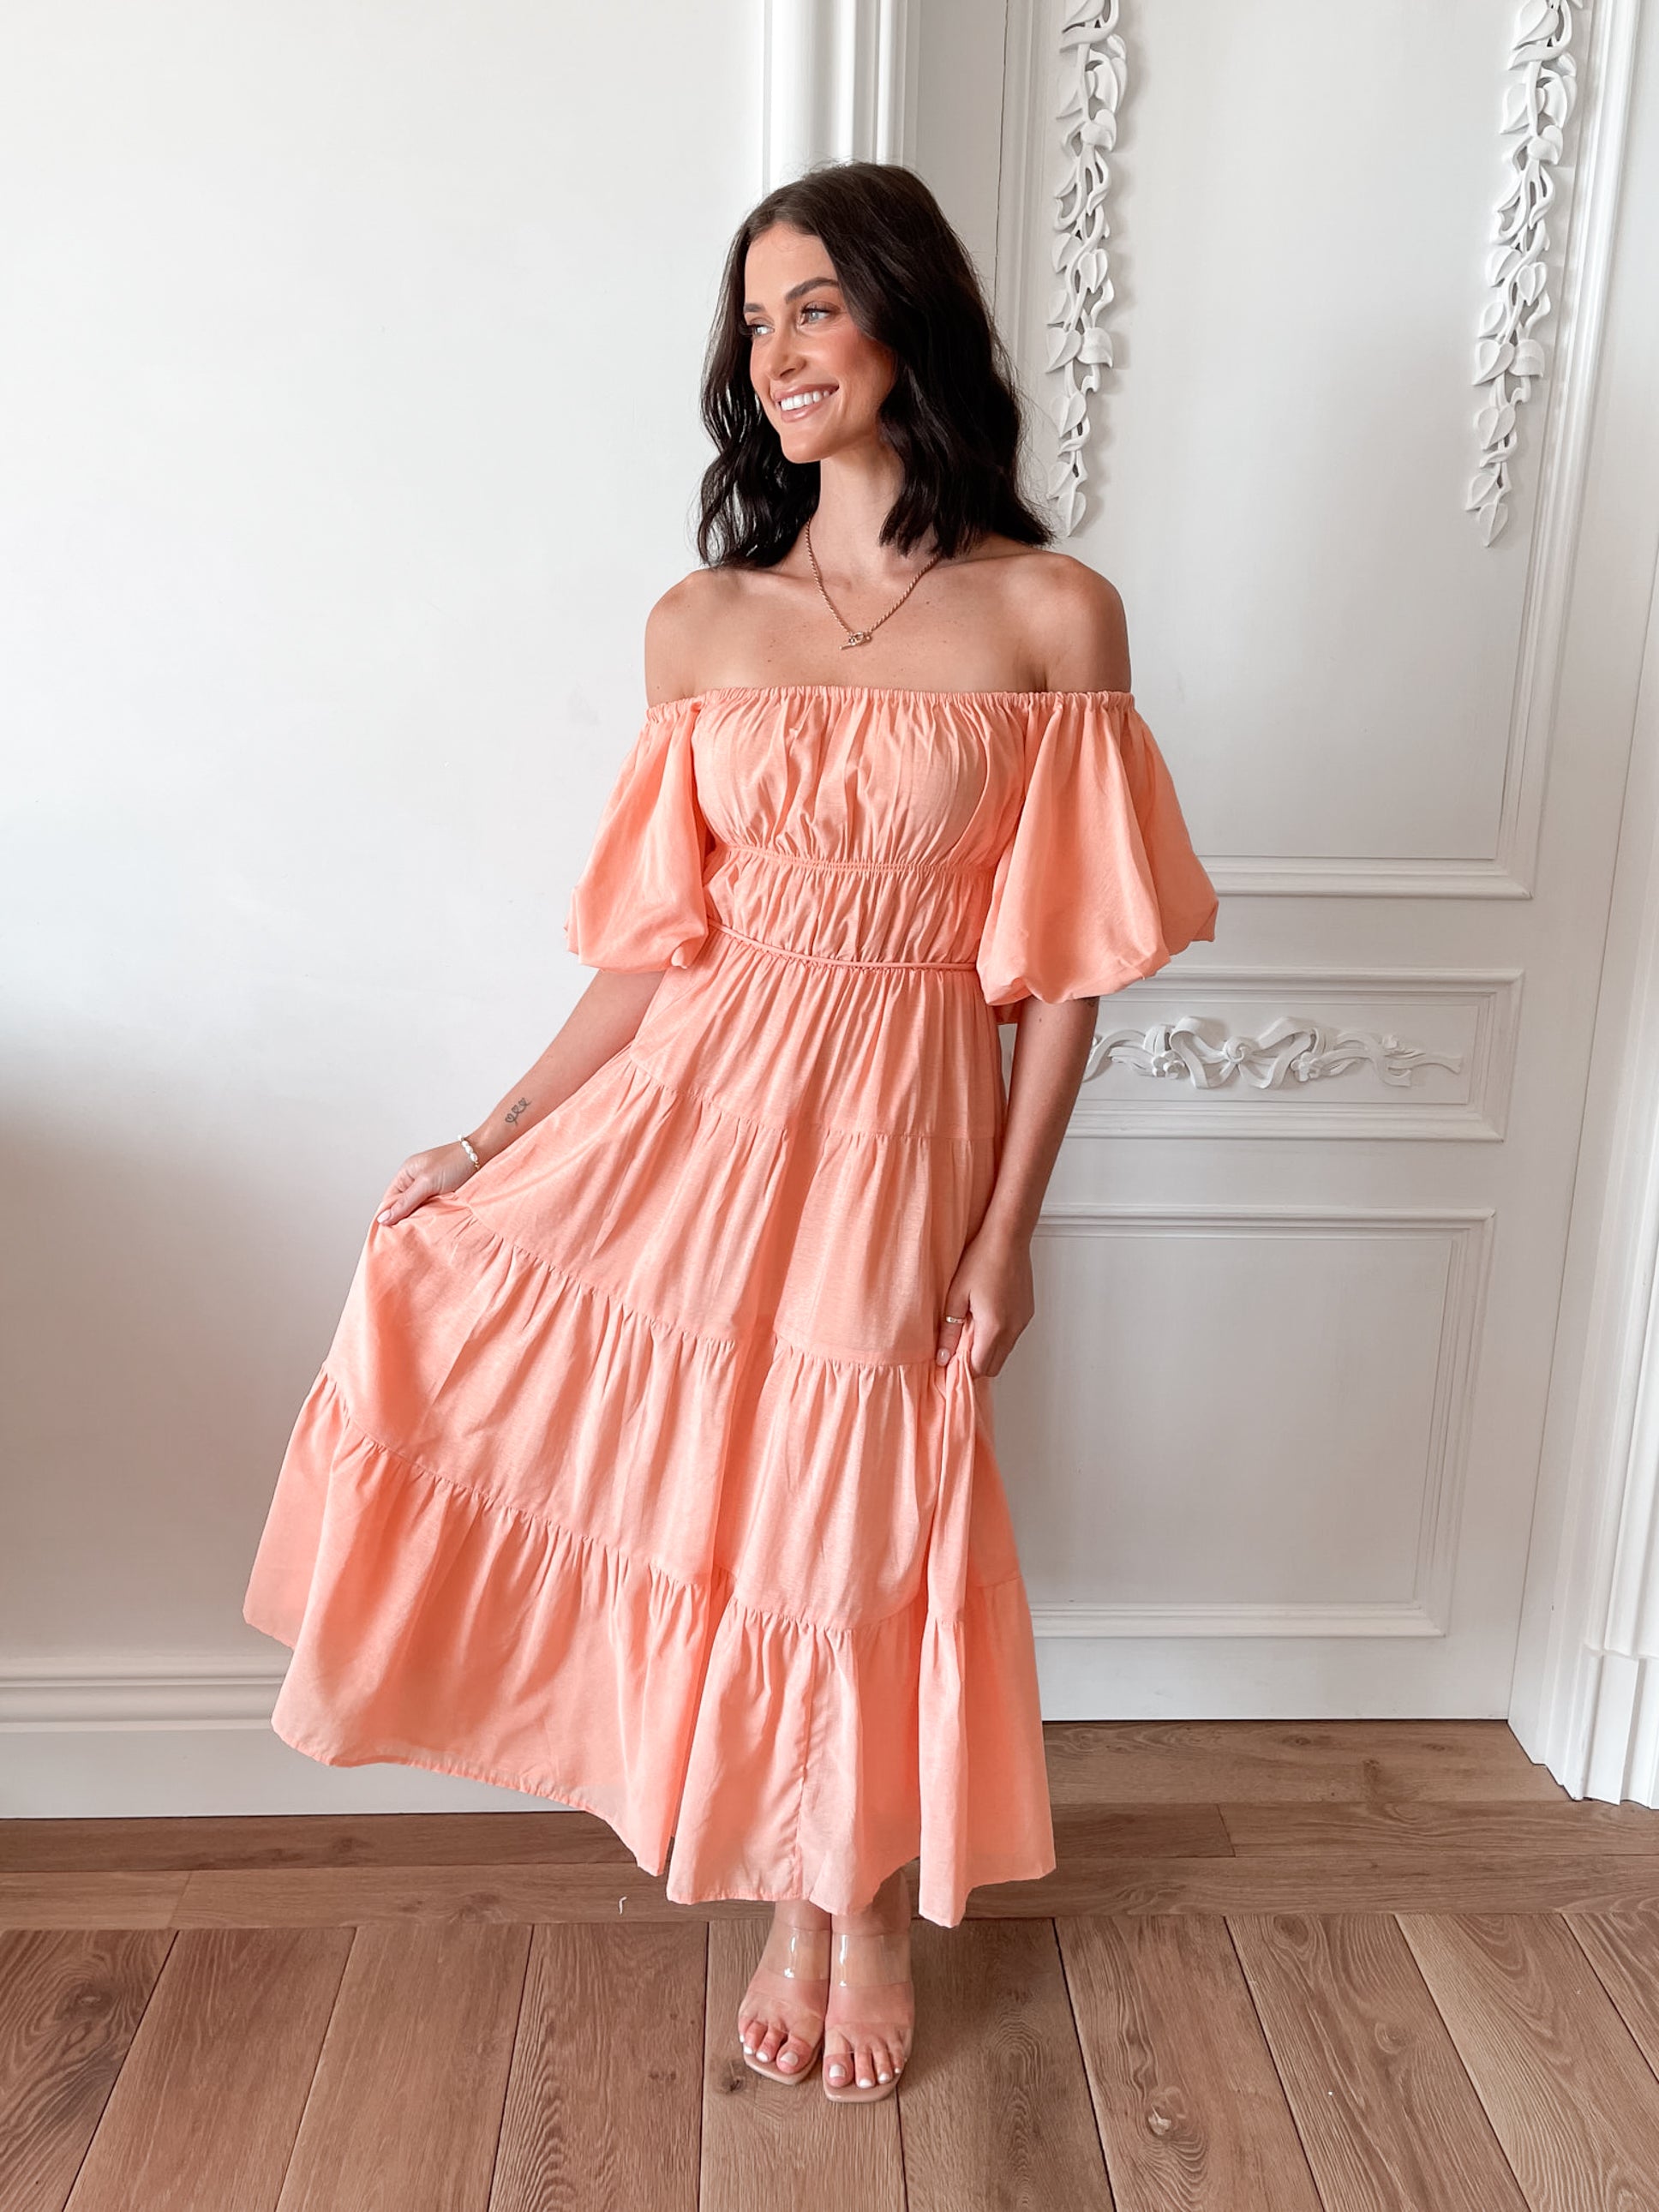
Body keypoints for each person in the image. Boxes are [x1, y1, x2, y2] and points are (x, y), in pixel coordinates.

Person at [243, 159, 1219, 2105]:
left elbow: (1062, 972)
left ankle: (857, 1904)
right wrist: (492, 1139)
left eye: (813, 307)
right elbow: (651, 952)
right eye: (753, 320)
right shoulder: (701, 625)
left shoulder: (1051, 613)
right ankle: (792, 1886)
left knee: (849, 1514)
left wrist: (1006, 1230)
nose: (775, 352)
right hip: (694, 1117)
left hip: (900, 1123)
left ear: (907, 319)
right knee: (716, 1497)